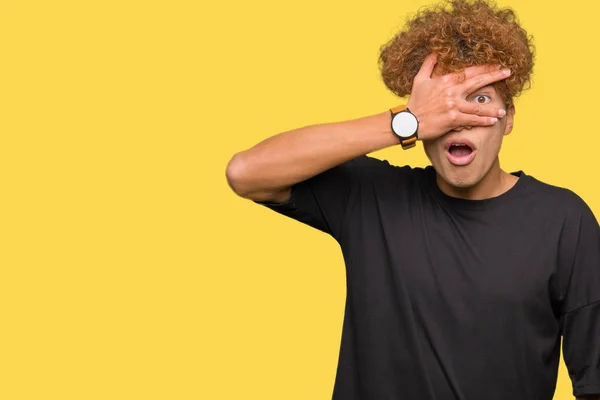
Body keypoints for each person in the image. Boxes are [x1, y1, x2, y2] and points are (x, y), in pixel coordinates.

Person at [225, 0, 600, 399]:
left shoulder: (564, 221)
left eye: (478, 99)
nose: (457, 117)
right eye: (442, 102)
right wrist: (403, 122)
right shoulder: (373, 199)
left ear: (508, 118)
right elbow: (246, 173)